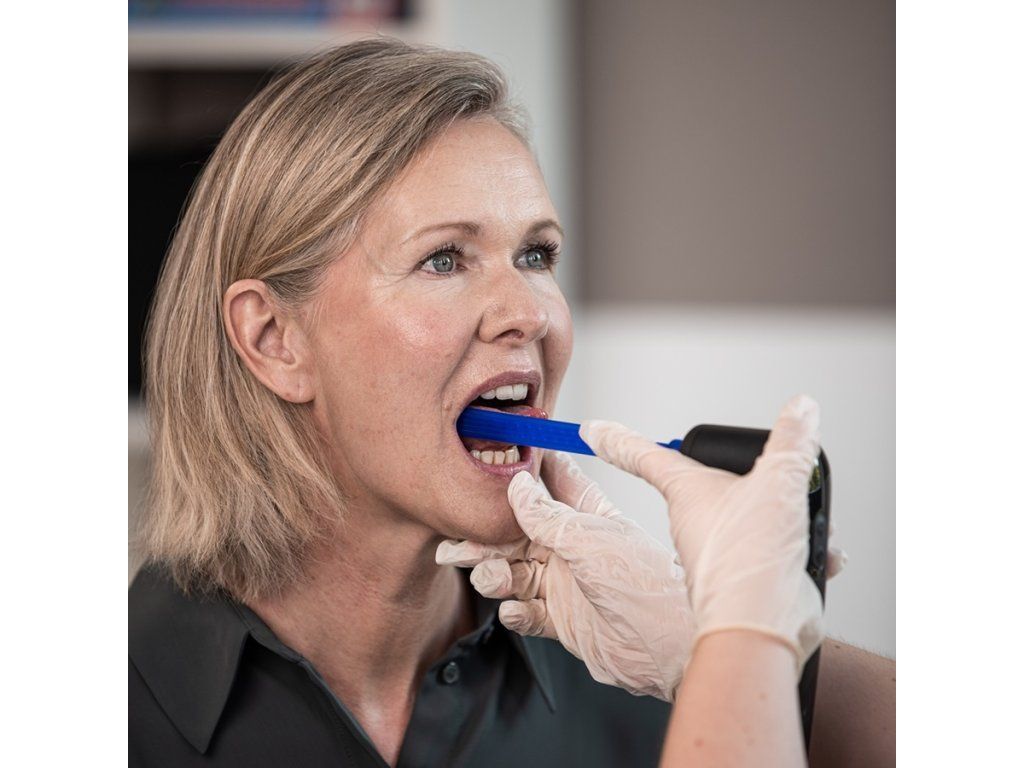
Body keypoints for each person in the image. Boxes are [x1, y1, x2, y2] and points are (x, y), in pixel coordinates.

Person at [130, 38, 894, 767]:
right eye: (443, 259)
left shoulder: (642, 673)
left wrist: (711, 647)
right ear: (274, 339)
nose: (530, 312)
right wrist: (741, 641)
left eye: (536, 254)